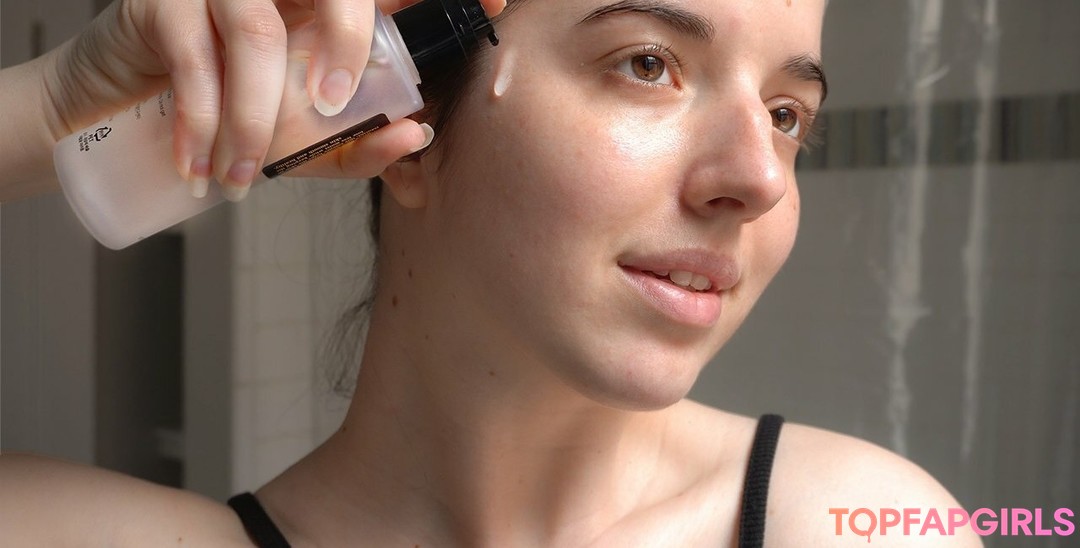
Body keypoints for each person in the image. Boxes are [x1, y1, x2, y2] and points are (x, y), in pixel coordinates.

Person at [0, 0, 984, 546]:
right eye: (648, 64)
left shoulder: (859, 528)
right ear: (405, 126)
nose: (760, 178)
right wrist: (52, 107)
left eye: (786, 114)